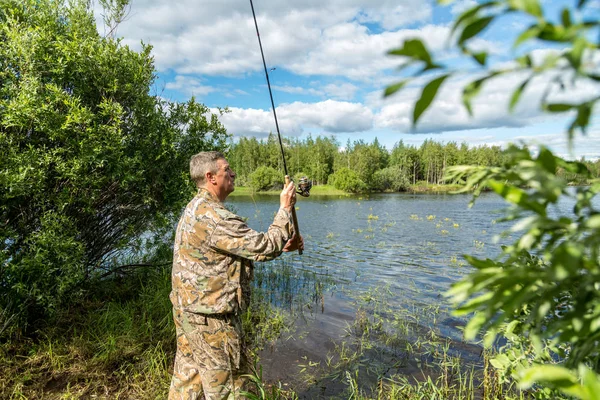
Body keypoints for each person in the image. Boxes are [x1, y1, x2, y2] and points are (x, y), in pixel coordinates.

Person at [169, 151, 303, 400]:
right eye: (227, 170)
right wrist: (285, 208)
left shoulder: (195, 207)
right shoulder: (216, 218)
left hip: (188, 312)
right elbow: (264, 247)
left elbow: (232, 251)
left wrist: (282, 242)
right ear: (211, 177)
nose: (233, 173)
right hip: (212, 320)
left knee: (189, 382)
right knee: (229, 388)